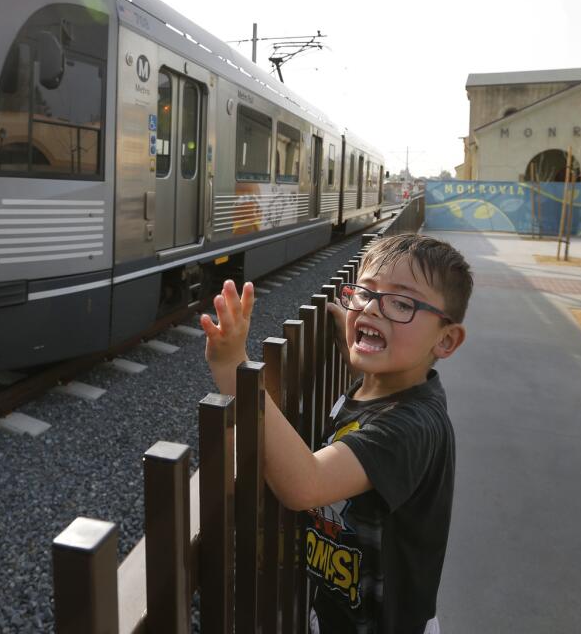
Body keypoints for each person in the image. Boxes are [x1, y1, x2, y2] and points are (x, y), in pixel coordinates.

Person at [201, 233, 472, 633]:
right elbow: (368, 355)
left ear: (446, 339)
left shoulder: (412, 427)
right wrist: (355, 338)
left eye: (402, 303)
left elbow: (304, 485)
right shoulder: (381, 385)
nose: (373, 309)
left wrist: (233, 367)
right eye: (364, 293)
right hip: (340, 611)